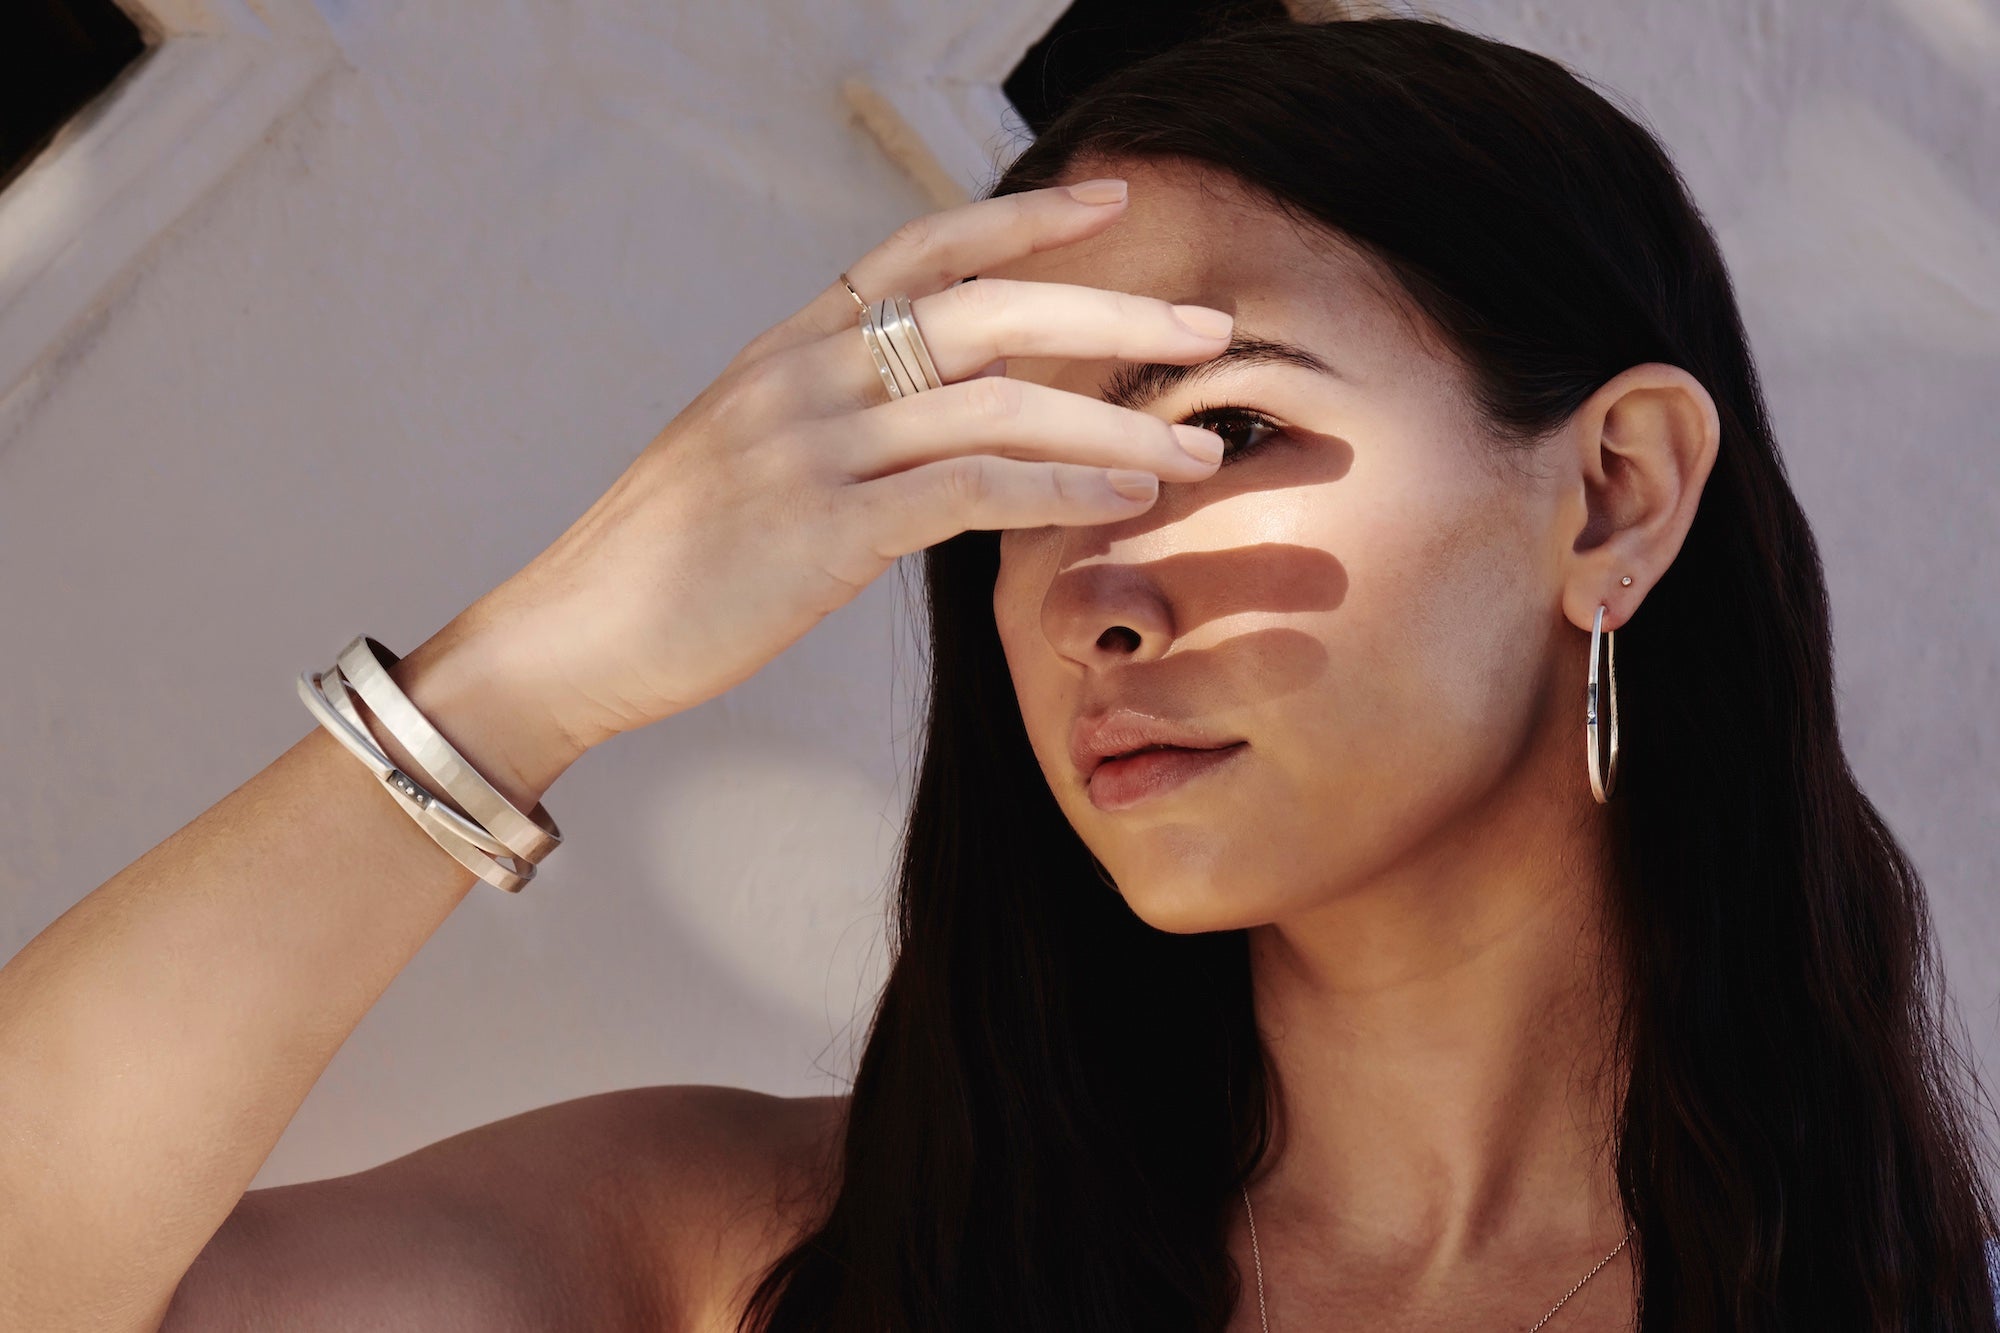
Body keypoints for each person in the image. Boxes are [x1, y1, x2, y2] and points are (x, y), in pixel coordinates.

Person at [0, 13, 1994, 1333]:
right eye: (1021, 484)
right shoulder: (767, 1260)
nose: (1083, 593)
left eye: (1216, 431)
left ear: (1612, 493)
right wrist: (538, 663)